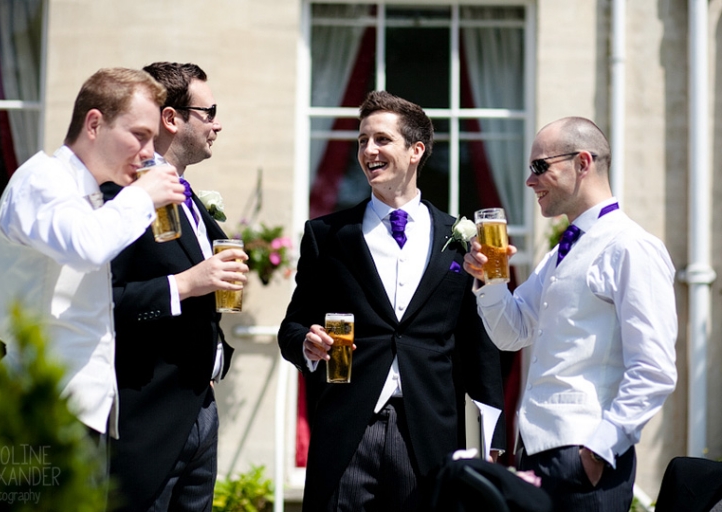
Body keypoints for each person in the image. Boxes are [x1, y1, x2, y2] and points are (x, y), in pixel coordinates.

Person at [278, 90, 505, 512]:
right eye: (363, 140)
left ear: (416, 150)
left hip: (429, 432)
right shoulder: (326, 236)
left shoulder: (460, 239)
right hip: (347, 428)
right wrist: (306, 344)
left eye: (382, 140)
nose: (368, 150)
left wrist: (495, 439)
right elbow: (292, 327)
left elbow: (479, 344)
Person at [462, 116, 678, 511]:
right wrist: (491, 281)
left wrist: (598, 451)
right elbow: (511, 333)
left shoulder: (631, 247)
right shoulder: (560, 254)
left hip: (584, 459)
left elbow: (654, 369)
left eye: (539, 166)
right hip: (535, 454)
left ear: (583, 163)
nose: (530, 181)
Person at [0, 67, 185, 458]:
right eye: (140, 136)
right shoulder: (43, 180)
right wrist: (144, 197)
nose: (150, 152)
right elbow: (86, 246)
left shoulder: (90, 194)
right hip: (43, 410)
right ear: (94, 123)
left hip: (78, 414)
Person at [100, 62, 248, 512]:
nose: (217, 123)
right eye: (209, 111)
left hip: (200, 410)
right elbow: (105, 300)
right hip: (148, 419)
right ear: (171, 118)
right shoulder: (120, 196)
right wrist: (186, 283)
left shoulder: (192, 201)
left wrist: (217, 353)